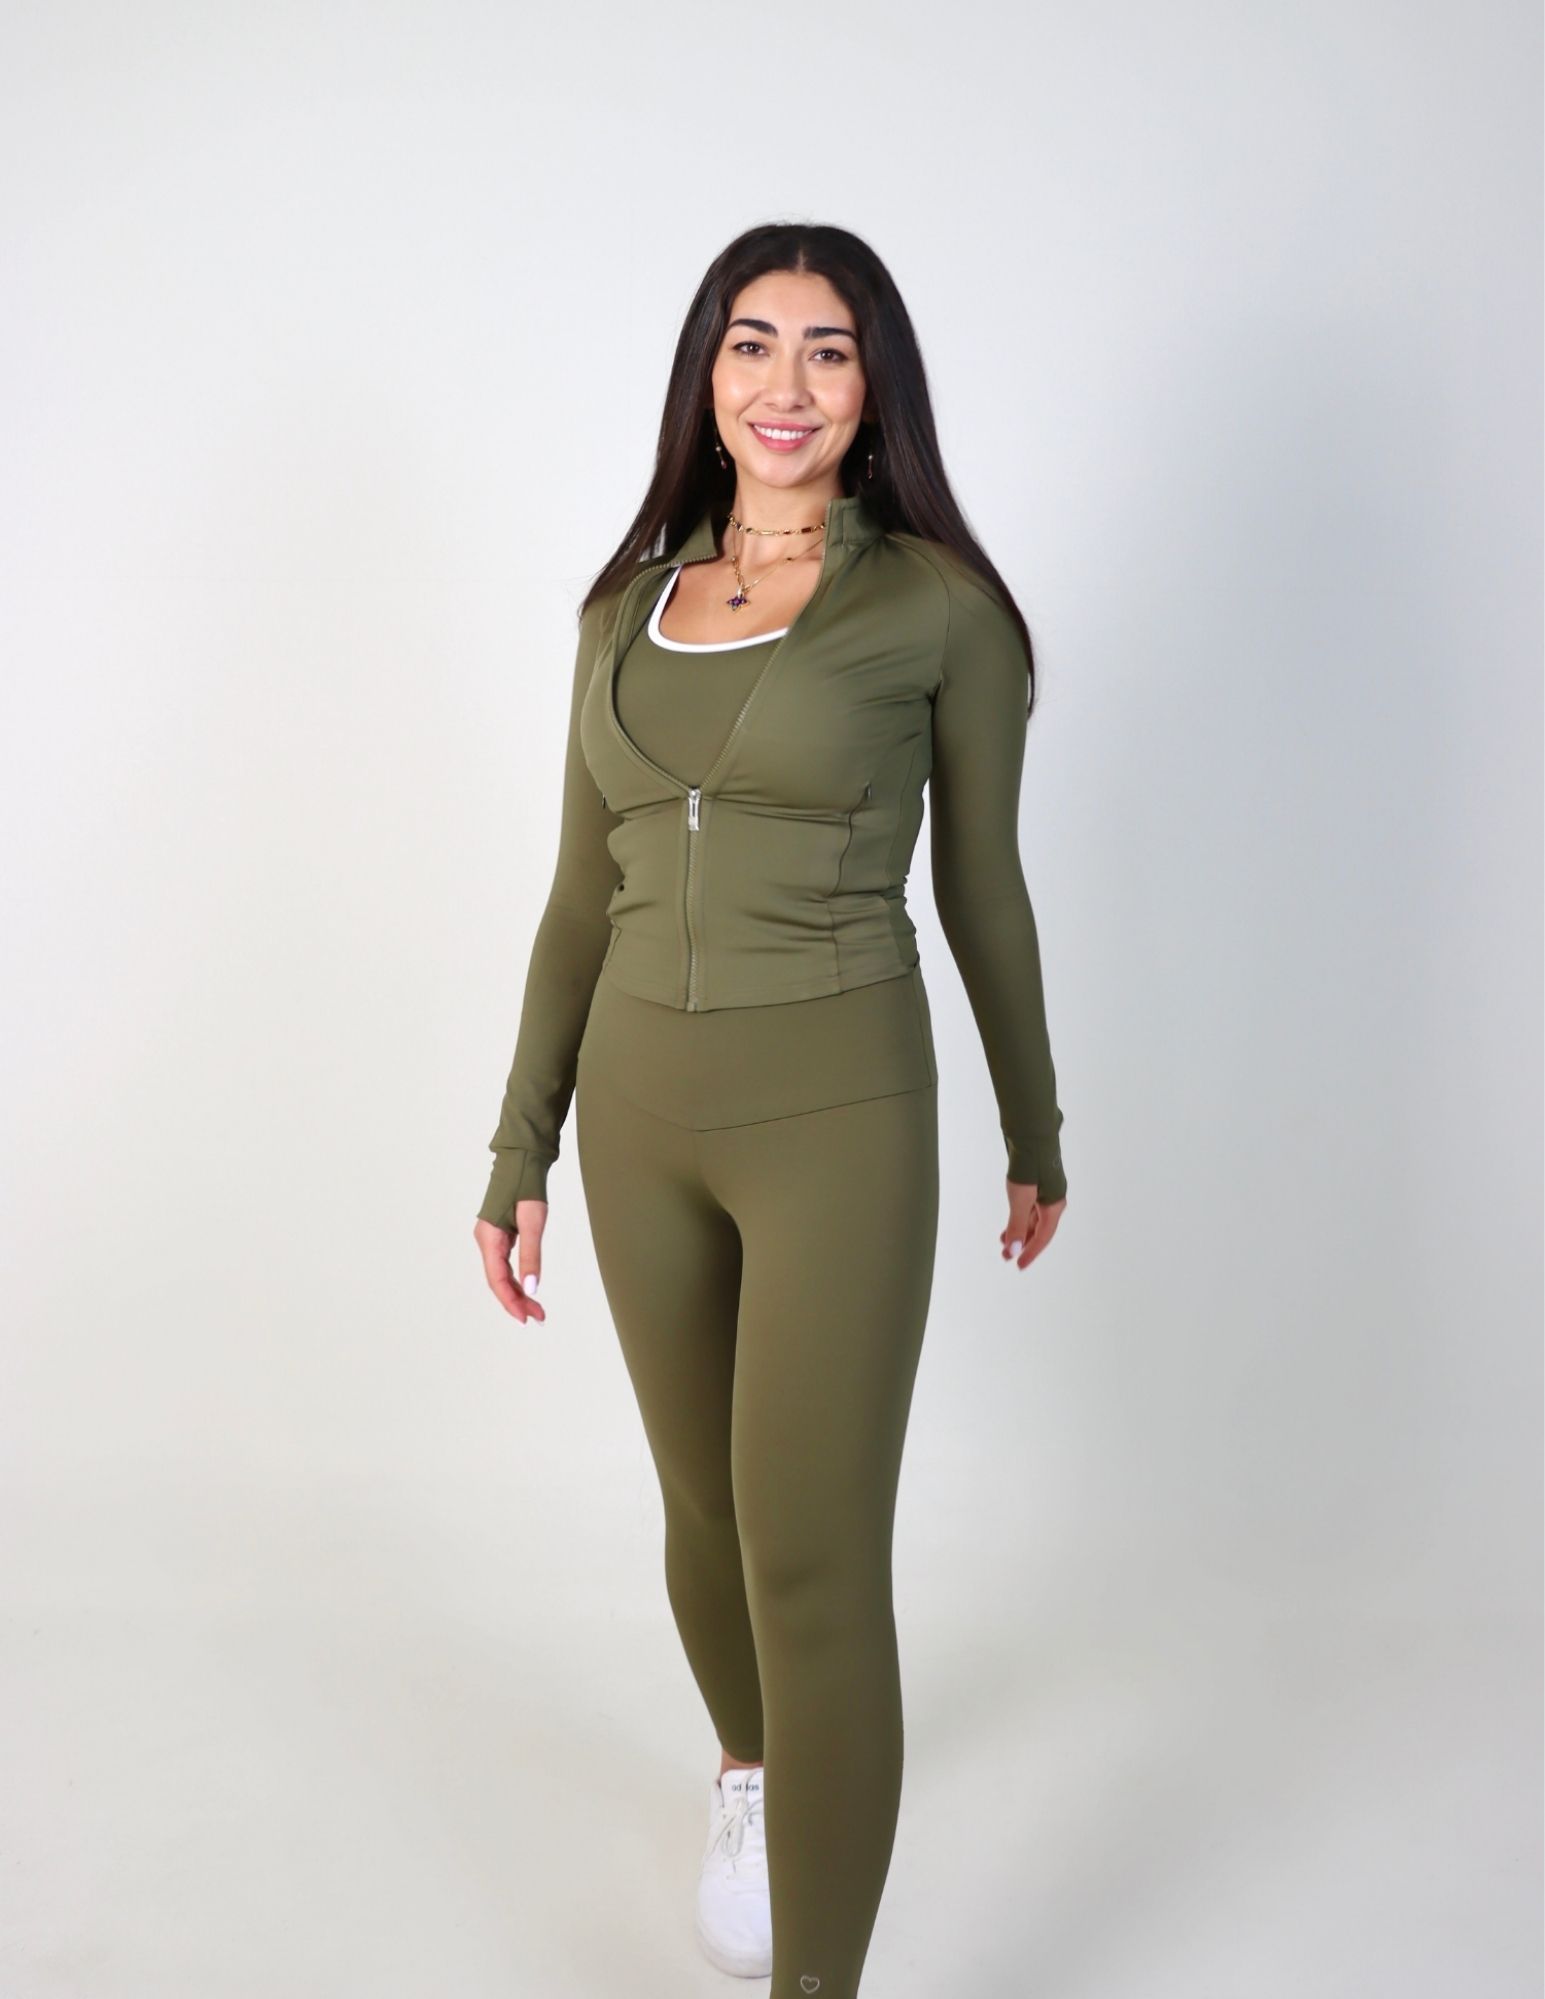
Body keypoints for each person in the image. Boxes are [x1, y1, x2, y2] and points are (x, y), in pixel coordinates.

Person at [471, 221, 1069, 1999]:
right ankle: (749, 1776)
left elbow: (983, 889)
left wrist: (1033, 1127)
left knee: (810, 1560)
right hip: (637, 1123)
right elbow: (577, 900)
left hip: (837, 1116)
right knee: (702, 1523)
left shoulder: (937, 611)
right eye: (751, 344)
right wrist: (518, 1148)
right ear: (706, 376)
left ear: (873, 386)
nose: (785, 384)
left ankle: (820, 1981)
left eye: (827, 348)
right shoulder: (619, 612)